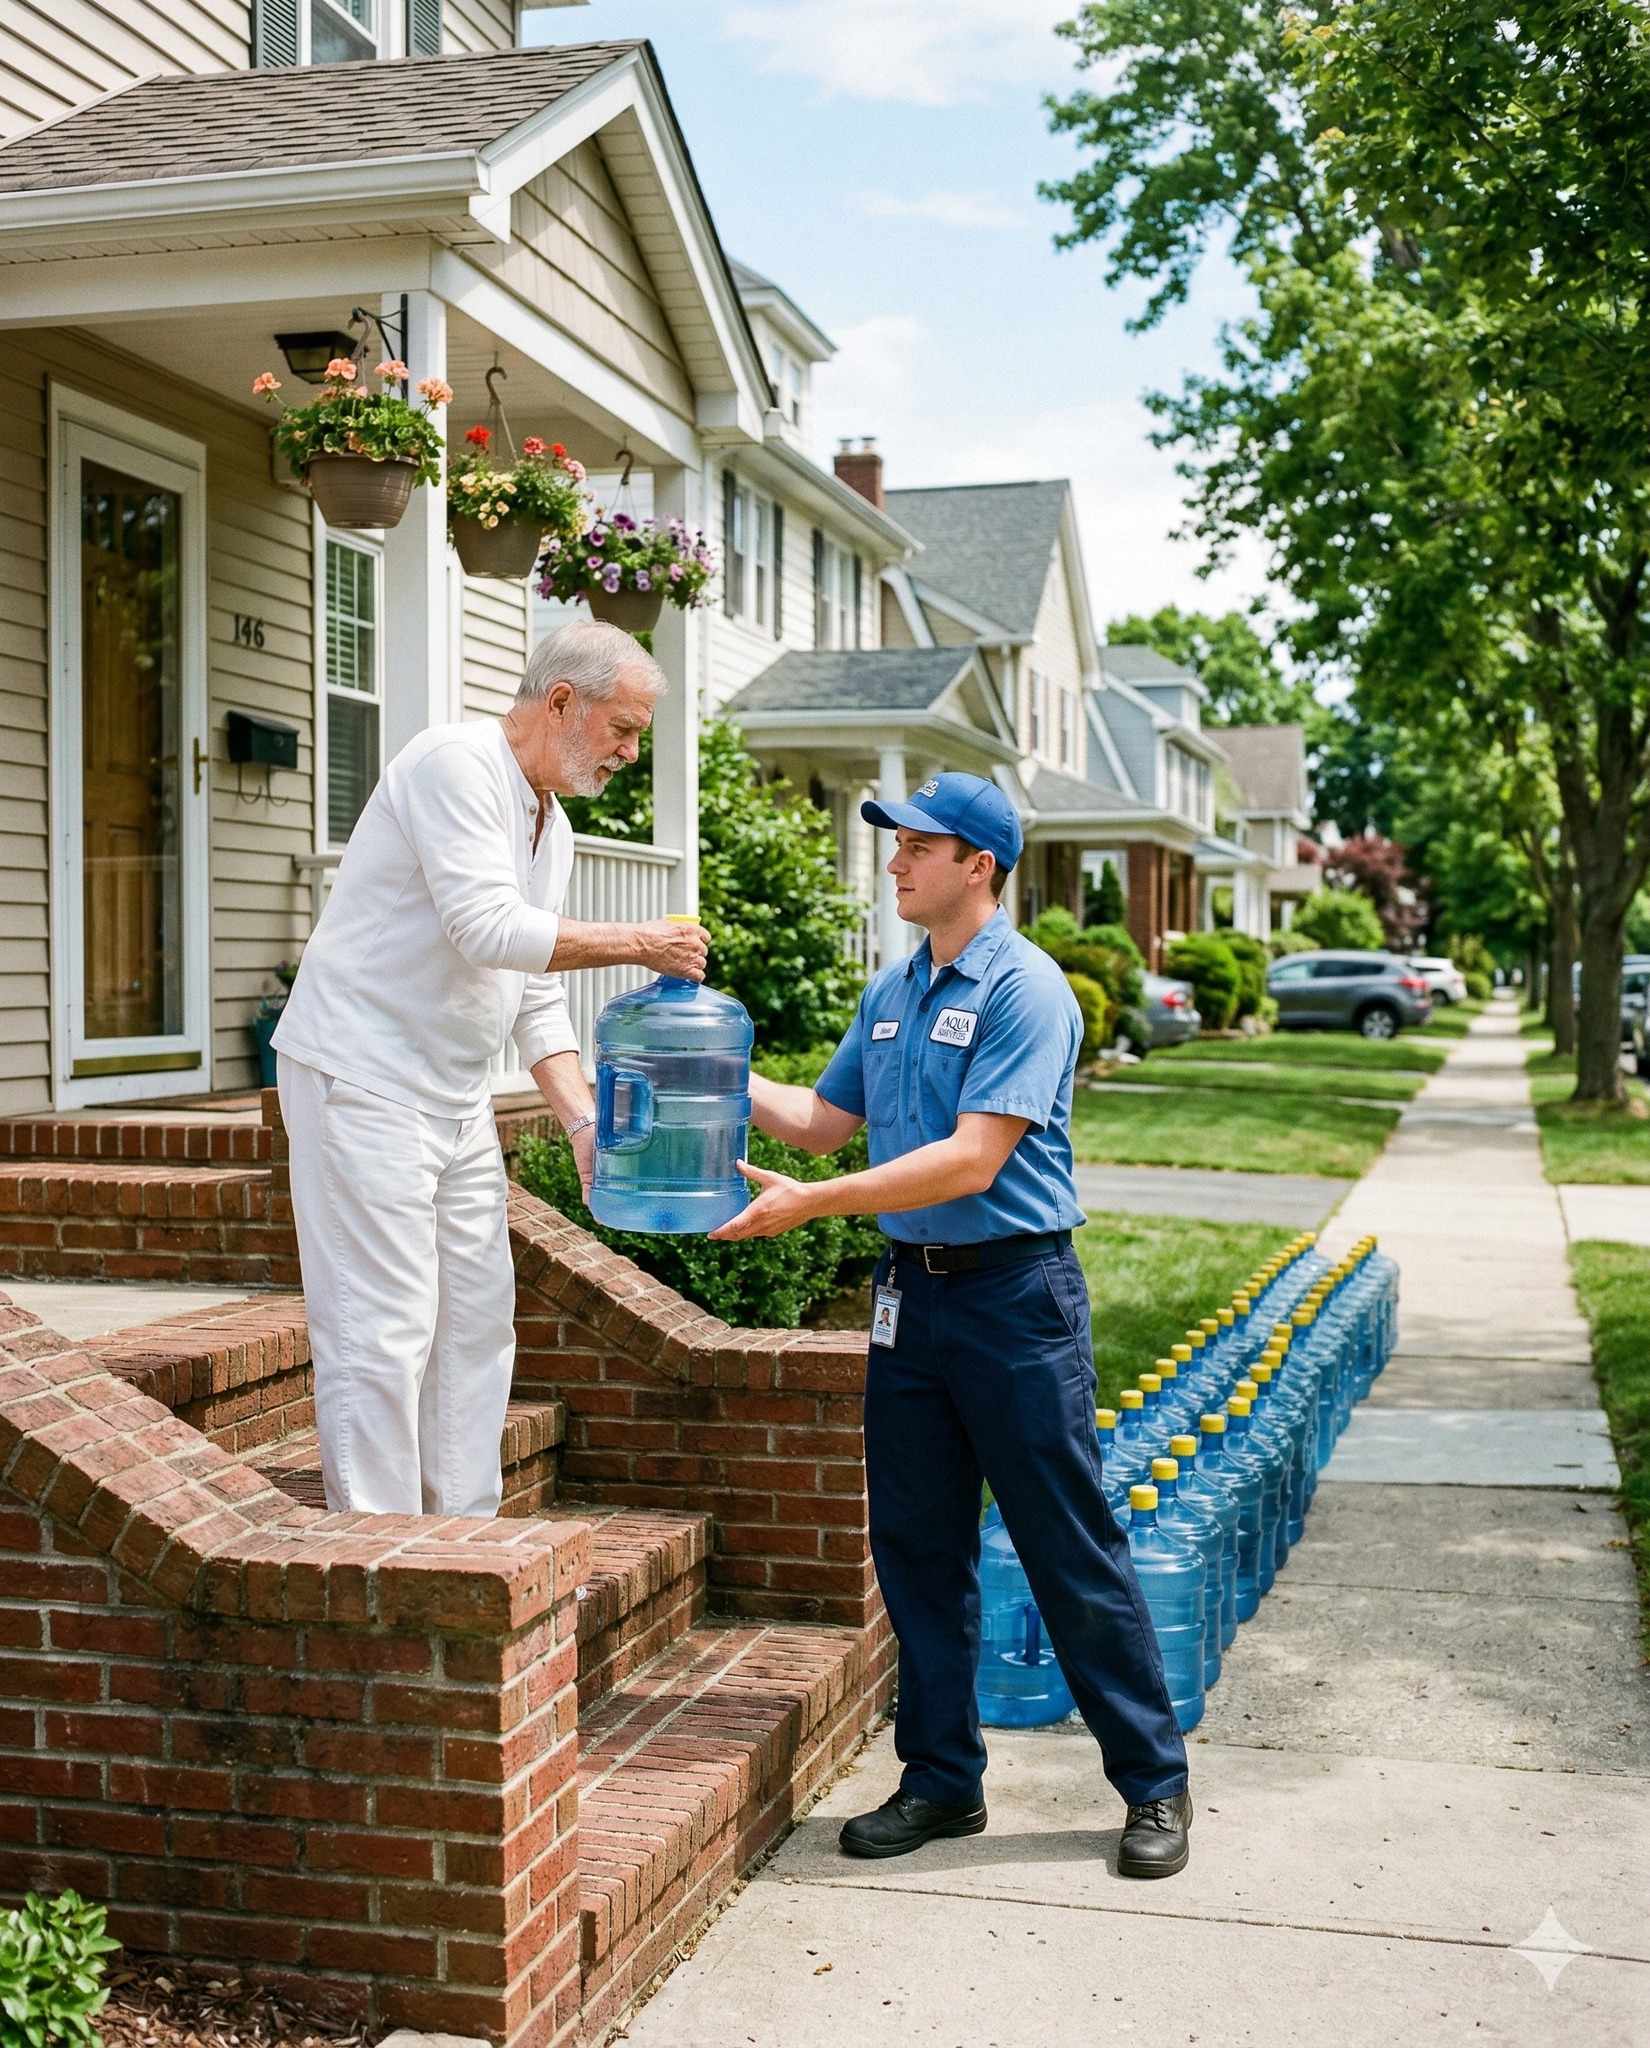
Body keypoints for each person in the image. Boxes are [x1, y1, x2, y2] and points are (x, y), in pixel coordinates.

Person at [711, 772, 1192, 1878]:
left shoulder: (1029, 990)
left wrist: (807, 1204)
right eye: (895, 844)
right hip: (910, 1301)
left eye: (915, 846)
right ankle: (939, 1780)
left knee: (1066, 1542)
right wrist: (702, 1063)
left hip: (1014, 1297)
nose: (893, 861)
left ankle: (1155, 1783)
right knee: (918, 1546)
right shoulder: (894, 990)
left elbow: (975, 1157)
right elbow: (825, 1122)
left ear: (978, 863)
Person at [274, 621, 707, 1519]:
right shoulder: (455, 765)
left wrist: (582, 1123)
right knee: (379, 1328)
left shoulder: (555, 828)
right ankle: (382, 1551)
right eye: (623, 729)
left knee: (474, 1323)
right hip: (362, 1076)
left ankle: (465, 1537)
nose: (631, 752)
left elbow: (529, 986)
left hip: (455, 1095)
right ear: (559, 702)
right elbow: (488, 929)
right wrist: (641, 944)